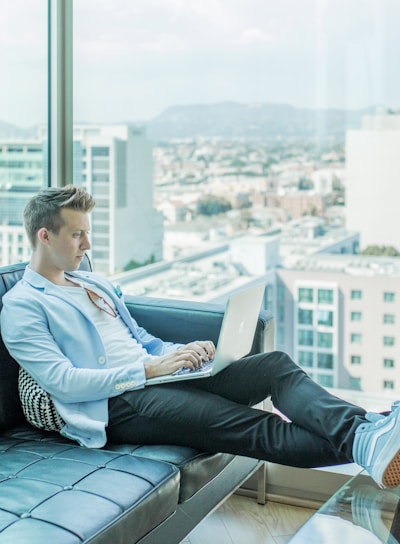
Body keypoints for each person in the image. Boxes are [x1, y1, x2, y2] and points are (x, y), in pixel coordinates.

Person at [1, 185, 400, 490]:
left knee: (274, 367)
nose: (87, 245)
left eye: (87, 233)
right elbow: (64, 384)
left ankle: (366, 436)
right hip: (116, 404)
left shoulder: (90, 282)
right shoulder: (22, 306)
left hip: (156, 375)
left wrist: (183, 353)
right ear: (44, 236)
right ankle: (372, 435)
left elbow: (139, 337)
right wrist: (149, 369)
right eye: (77, 235)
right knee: (248, 424)